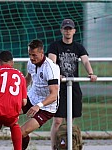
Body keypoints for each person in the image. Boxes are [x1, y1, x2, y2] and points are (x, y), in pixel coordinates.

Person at [0, 39, 60, 150]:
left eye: (34, 55)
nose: (31, 58)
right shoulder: (31, 63)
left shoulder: (51, 68)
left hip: (46, 107)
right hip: (31, 98)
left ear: (42, 53)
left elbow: (54, 95)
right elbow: (27, 79)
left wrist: (39, 106)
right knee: (2, 112)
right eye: (29, 55)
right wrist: (17, 95)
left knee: (21, 132)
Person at [47, 19, 97, 150]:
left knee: (70, 120)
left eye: (70, 29)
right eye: (66, 29)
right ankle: (54, 147)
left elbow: (85, 61)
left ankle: (69, 145)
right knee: (58, 120)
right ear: (62, 30)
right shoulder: (55, 46)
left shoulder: (78, 47)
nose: (68, 31)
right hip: (59, 86)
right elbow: (52, 62)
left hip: (73, 86)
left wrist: (91, 73)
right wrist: (57, 74)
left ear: (74, 31)